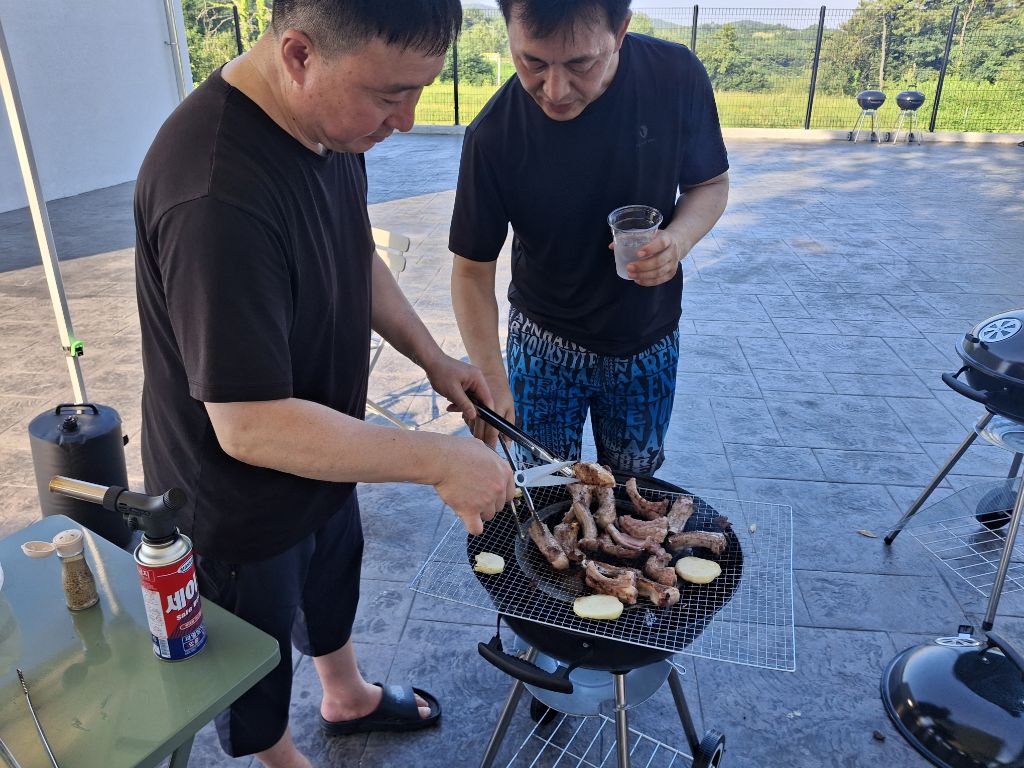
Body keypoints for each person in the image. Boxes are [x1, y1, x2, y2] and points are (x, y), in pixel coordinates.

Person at [134, 2, 515, 766]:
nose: (406, 120)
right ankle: (283, 758)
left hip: (326, 449)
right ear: (300, 55)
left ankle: (345, 695)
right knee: (255, 653)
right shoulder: (214, 193)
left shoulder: (329, 124)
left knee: (330, 579)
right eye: (390, 95)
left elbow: (353, 251)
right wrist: (437, 459)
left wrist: (433, 358)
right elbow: (249, 426)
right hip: (237, 497)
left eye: (418, 92)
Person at [450, 0, 729, 477]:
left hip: (648, 338)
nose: (555, 90)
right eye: (532, 62)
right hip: (542, 344)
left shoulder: (675, 76)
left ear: (620, 32)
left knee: (635, 489)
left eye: (581, 64)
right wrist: (493, 377)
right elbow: (471, 274)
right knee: (547, 485)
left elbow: (710, 184)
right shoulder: (494, 135)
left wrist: (678, 240)